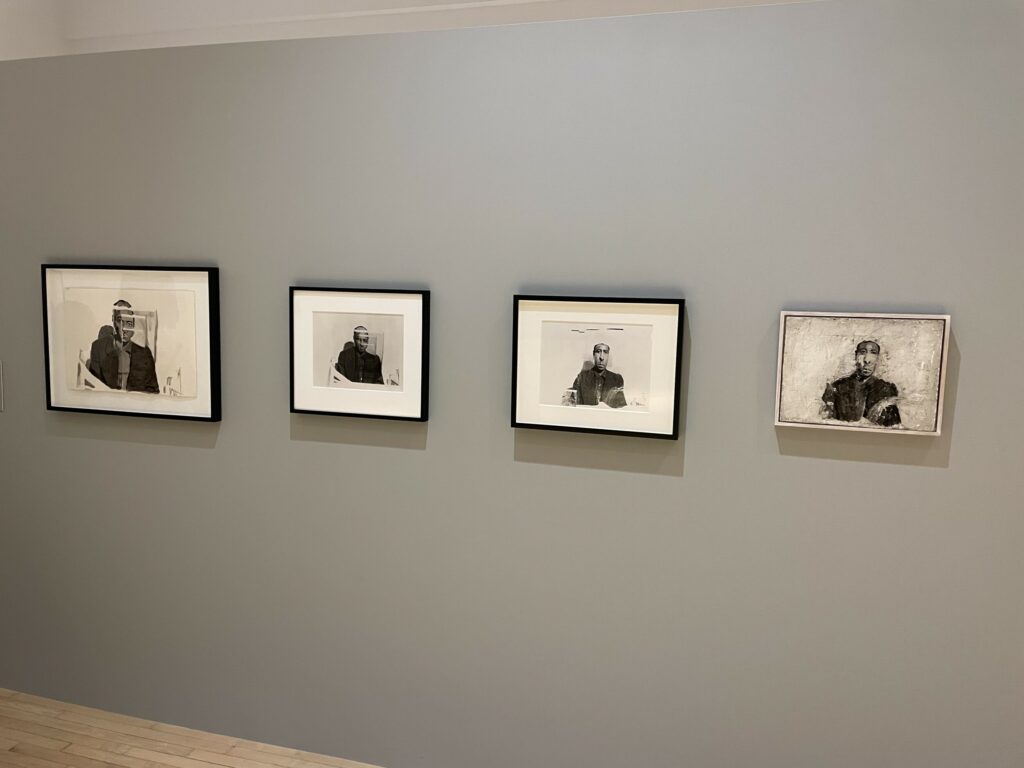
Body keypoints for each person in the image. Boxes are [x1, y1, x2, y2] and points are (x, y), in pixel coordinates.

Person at [821, 340, 901, 426]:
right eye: (862, 352)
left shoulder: (887, 390)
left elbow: (894, 428)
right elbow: (826, 423)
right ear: (856, 356)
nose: (867, 360)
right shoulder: (837, 387)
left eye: (873, 353)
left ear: (878, 358)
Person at [87, 300, 159, 393]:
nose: (124, 328)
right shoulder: (98, 348)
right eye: (120, 321)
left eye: (128, 322)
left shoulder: (144, 354)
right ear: (113, 321)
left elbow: (153, 391)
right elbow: (93, 388)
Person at [568, 342, 626, 408]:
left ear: (608, 356)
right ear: (593, 354)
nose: (601, 357)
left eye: (605, 352)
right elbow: (572, 406)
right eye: (598, 352)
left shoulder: (616, 379)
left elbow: (621, 408)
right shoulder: (581, 378)